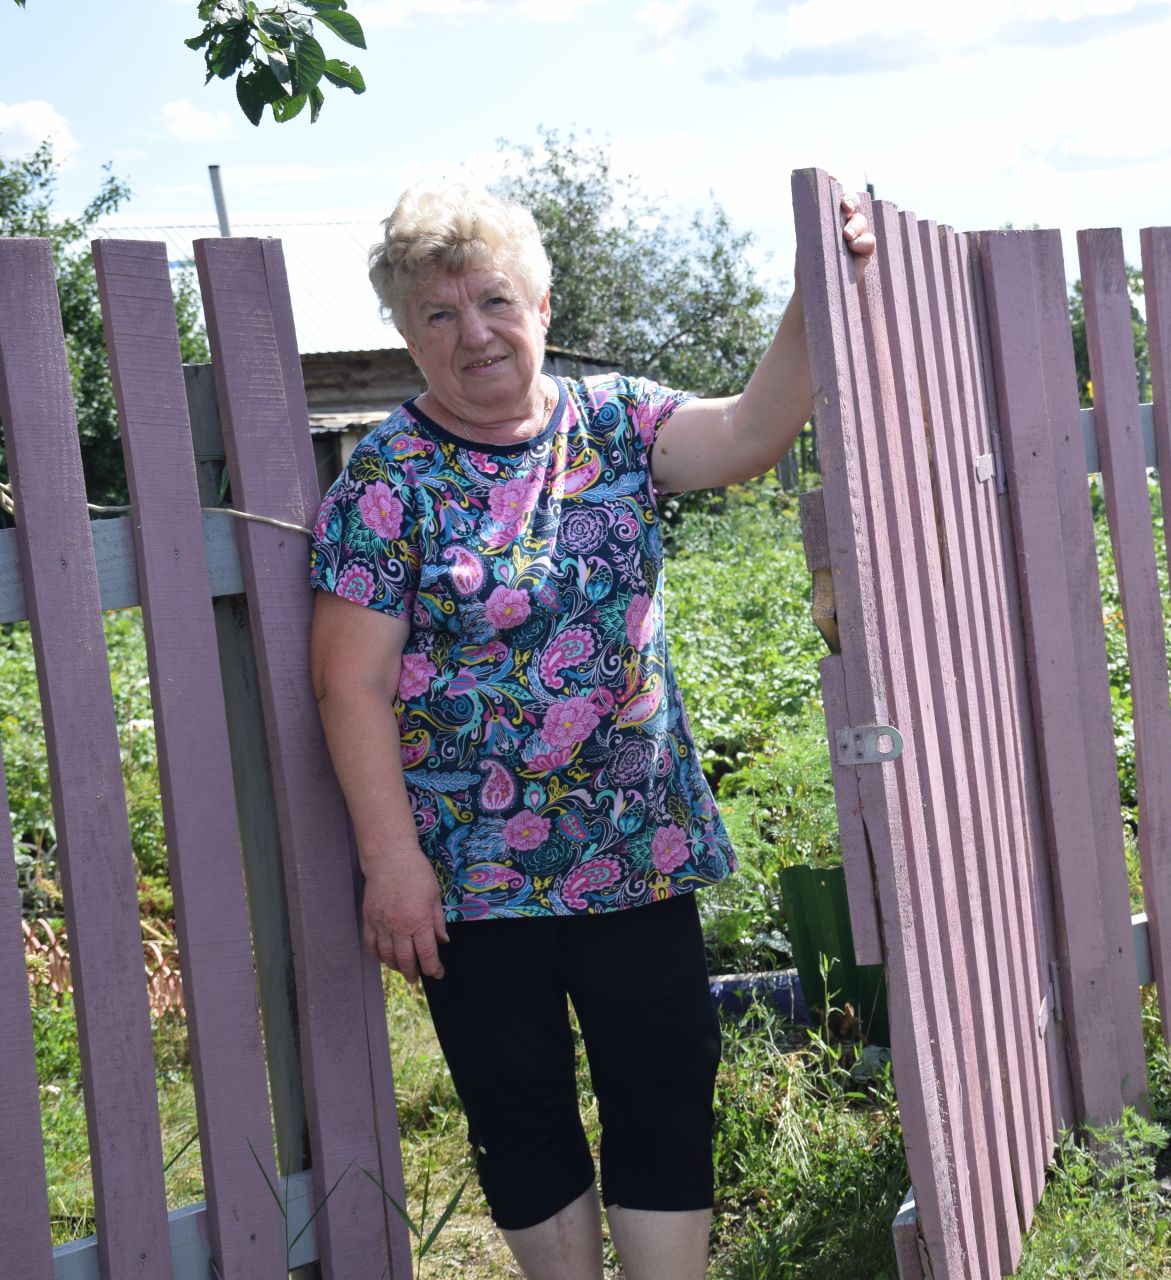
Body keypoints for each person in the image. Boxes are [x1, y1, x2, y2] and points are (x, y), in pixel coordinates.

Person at [308, 179, 873, 1280]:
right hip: (474, 869)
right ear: (405, 332)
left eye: (495, 300)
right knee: (519, 1099)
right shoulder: (389, 480)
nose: (474, 332)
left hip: (634, 846)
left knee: (664, 1073)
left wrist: (814, 292)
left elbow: (754, 429)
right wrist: (392, 862)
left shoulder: (615, 422)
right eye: (438, 313)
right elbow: (350, 687)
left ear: (544, 305)